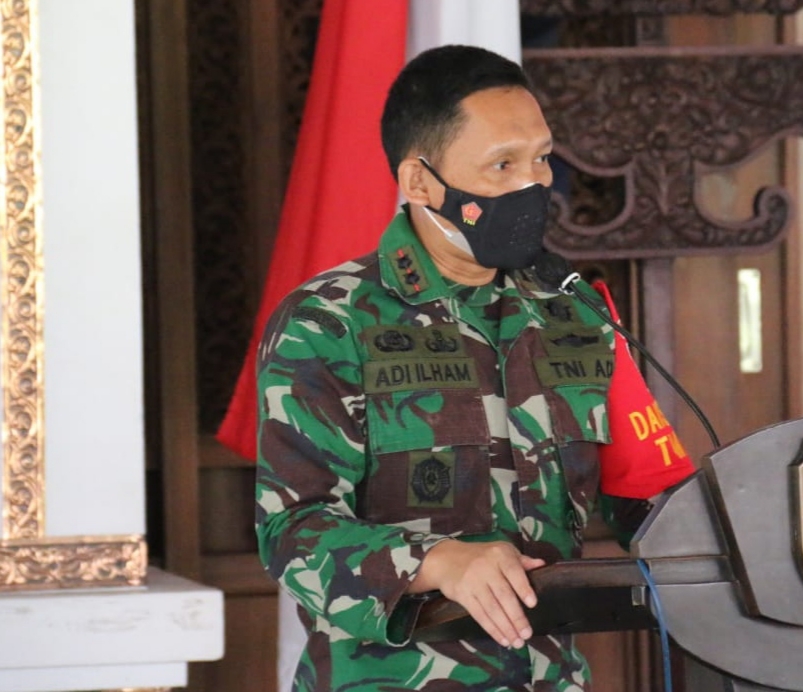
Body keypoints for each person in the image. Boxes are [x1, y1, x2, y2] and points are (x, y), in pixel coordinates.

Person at [256, 44, 638, 691]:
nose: (533, 185)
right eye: (503, 164)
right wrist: (437, 562)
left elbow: (643, 491)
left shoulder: (574, 313)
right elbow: (292, 532)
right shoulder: (330, 321)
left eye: (542, 158)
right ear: (420, 183)